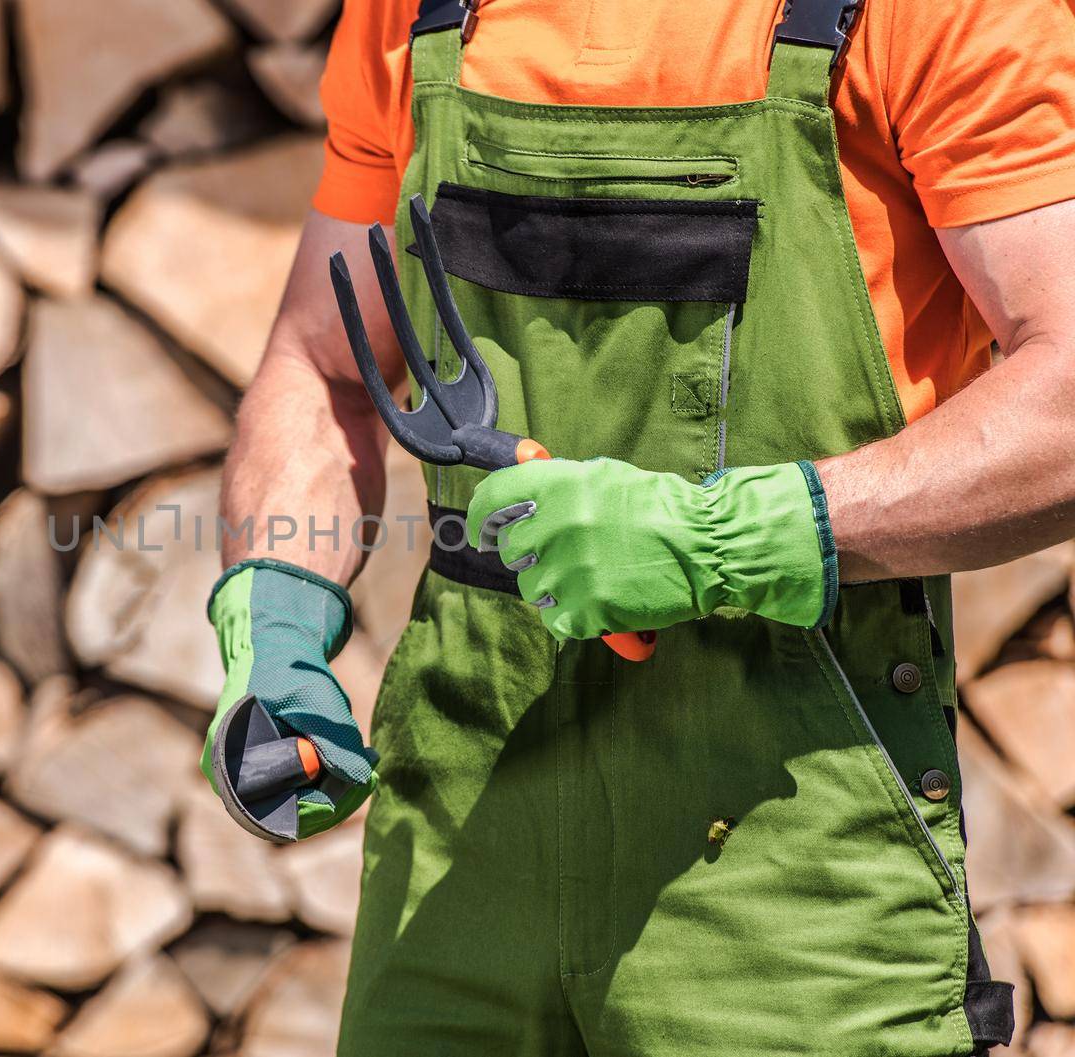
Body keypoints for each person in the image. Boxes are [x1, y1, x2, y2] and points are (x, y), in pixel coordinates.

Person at [200, 0, 1075, 1053]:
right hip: (455, 838)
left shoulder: (933, 13)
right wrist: (277, 618)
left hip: (782, 850)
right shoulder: (415, 16)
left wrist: (721, 537)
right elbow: (321, 365)